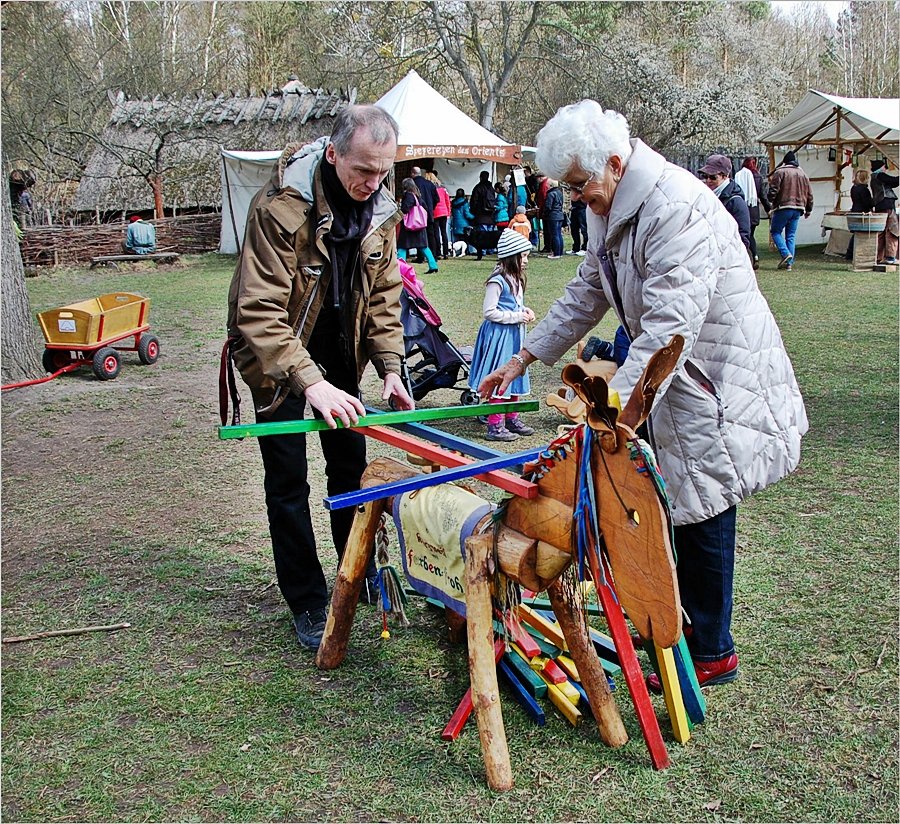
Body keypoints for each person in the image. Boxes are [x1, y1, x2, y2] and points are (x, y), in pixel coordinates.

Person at [478, 100, 808, 690]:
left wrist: (613, 408)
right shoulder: (612, 205)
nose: (576, 199)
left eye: (580, 186)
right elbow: (587, 290)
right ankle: (671, 625)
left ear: (612, 162)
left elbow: (668, 330)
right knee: (662, 501)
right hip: (671, 379)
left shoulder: (675, 206)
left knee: (702, 502)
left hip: (711, 377)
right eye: (569, 190)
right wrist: (524, 357)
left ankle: (711, 650)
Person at [226, 104, 415, 651]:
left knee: (349, 470)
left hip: (340, 349)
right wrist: (309, 382)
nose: (372, 183)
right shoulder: (279, 209)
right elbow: (257, 312)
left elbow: (383, 298)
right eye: (362, 170)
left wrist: (391, 367)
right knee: (287, 481)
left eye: (383, 171)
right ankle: (308, 600)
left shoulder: (381, 209)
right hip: (275, 357)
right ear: (332, 155)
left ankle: (352, 576)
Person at [468, 228, 536, 441]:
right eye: (522, 256)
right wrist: (516, 317)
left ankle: (511, 417)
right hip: (500, 337)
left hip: (514, 335)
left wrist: (525, 311)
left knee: (515, 373)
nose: (525, 261)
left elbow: (516, 305)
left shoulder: (516, 279)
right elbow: (489, 311)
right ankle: (495, 424)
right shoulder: (497, 280)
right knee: (500, 376)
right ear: (511, 256)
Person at [767, 151, 813, 271]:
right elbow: (809, 194)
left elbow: (774, 190)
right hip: (798, 208)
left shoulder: (780, 172)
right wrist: (808, 210)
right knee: (790, 236)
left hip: (783, 206)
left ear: (785, 162)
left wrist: (770, 201)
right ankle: (789, 263)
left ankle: (785, 253)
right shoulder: (803, 174)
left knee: (775, 231)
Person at [698, 154, 751, 254]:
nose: (708, 180)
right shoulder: (705, 196)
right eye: (705, 176)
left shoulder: (735, 201)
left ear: (725, 176)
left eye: (713, 177)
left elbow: (743, 237)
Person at [734, 157, 771, 269]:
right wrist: (768, 208)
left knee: (743, 234)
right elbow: (763, 196)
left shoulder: (738, 176)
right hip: (753, 208)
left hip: (741, 208)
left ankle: (746, 257)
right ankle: (754, 255)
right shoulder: (758, 177)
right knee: (750, 235)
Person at [397, 177, 440, 272]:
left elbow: (405, 209)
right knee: (424, 247)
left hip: (409, 227)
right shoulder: (417, 196)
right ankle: (433, 266)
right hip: (419, 226)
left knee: (402, 247)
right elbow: (426, 207)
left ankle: (401, 269)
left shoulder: (408, 196)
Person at [870, 159, 899, 264]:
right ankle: (890, 257)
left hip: (880, 205)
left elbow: (893, 183)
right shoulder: (880, 175)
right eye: (884, 166)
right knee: (892, 230)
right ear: (880, 167)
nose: (886, 168)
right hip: (887, 205)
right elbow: (895, 181)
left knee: (881, 231)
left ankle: (878, 256)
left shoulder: (874, 177)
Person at [411, 167, 439, 270]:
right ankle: (434, 255)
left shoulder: (412, 184)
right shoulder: (430, 184)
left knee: (419, 235)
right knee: (431, 235)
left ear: (412, 174)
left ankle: (420, 257)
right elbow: (437, 199)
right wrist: (431, 207)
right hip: (429, 213)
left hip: (417, 215)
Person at [844, 168, 874, 261]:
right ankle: (851, 253)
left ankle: (850, 253)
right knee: (860, 233)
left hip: (855, 210)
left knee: (856, 233)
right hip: (862, 212)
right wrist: (874, 202)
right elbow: (866, 202)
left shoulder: (854, 188)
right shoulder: (864, 189)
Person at [469, 170, 498, 257]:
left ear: (480, 177)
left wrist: (473, 211)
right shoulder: (491, 188)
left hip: (481, 214)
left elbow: (474, 201)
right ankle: (490, 250)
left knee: (482, 235)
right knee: (490, 234)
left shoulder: (478, 188)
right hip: (490, 214)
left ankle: (483, 252)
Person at [428, 171, 452, 260]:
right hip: (444, 211)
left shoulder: (431, 189)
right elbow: (447, 201)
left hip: (435, 212)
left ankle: (438, 252)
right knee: (444, 232)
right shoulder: (443, 188)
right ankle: (446, 252)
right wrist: (448, 212)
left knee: (436, 233)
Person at [542, 178, 565, 258]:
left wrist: (545, 214)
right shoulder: (559, 192)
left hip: (553, 216)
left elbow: (548, 206)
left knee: (554, 235)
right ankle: (560, 252)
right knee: (559, 234)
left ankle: (556, 253)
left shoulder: (550, 194)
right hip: (560, 215)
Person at [450, 188, 475, 252]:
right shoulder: (465, 202)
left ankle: (458, 251)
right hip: (464, 224)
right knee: (465, 239)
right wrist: (474, 217)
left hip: (456, 223)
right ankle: (466, 251)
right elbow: (467, 214)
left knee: (458, 239)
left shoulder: (453, 203)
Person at [567, 189, 588, 256]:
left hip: (582, 209)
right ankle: (576, 247)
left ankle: (585, 248)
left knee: (584, 230)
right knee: (574, 230)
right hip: (574, 209)